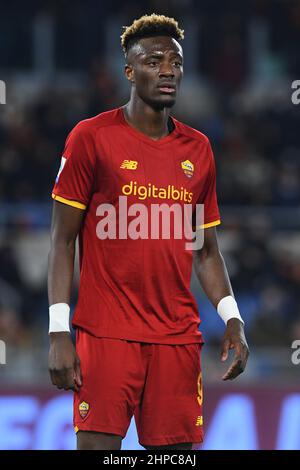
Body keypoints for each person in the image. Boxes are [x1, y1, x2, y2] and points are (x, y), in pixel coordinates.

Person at [48, 13, 249, 451]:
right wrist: (58, 330)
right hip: (105, 334)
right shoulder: (90, 138)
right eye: (153, 61)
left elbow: (207, 251)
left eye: (174, 62)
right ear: (129, 71)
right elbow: (62, 241)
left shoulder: (199, 149)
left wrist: (231, 316)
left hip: (177, 339)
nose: (167, 71)